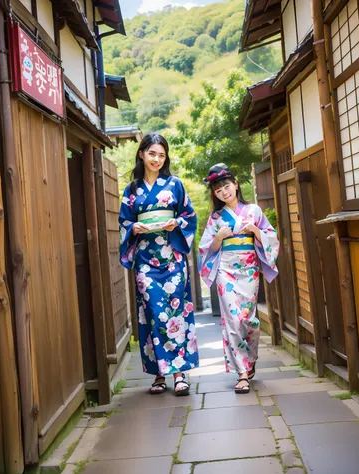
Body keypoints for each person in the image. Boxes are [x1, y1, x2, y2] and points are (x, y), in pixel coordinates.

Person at [119, 133, 198, 396]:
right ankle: (158, 374)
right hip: (145, 260)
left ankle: (179, 374)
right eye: (152, 153)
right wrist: (133, 227)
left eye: (161, 155)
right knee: (152, 312)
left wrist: (177, 223)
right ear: (141, 154)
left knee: (175, 313)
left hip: (172, 258)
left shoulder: (175, 184)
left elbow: (189, 216)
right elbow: (123, 222)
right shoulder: (131, 190)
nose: (157, 159)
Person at [198, 163, 279, 394]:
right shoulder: (215, 218)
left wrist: (255, 229)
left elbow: (271, 238)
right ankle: (242, 373)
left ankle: (250, 360)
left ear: (235, 184)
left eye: (226, 186)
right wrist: (220, 237)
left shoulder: (254, 211)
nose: (223, 192)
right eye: (217, 190)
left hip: (249, 269)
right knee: (233, 320)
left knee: (249, 320)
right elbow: (206, 249)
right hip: (226, 270)